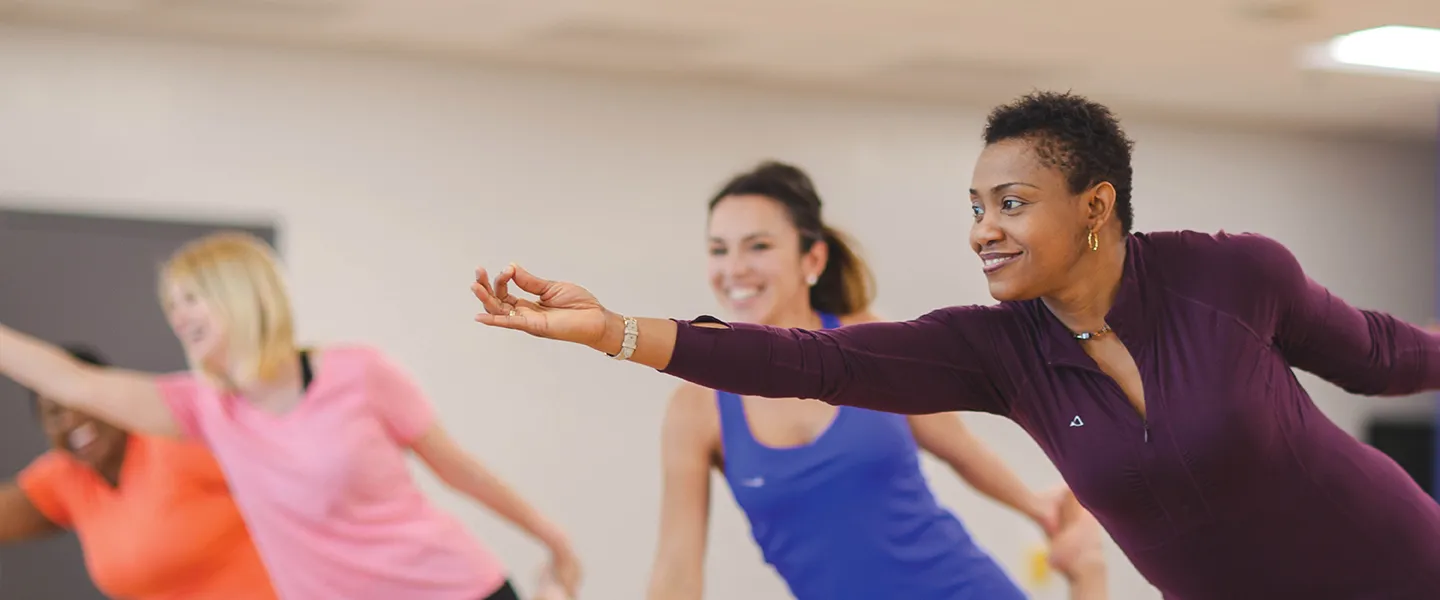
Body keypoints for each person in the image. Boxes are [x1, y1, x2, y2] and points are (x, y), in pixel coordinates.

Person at [468, 91, 1440, 599]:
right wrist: (613, 332)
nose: (982, 229)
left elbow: (1383, 356)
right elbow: (817, 361)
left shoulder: (1232, 277)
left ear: (1094, 207)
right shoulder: (994, 352)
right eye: (975, 208)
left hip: (1397, 568)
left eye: (1010, 204)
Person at [0, 232, 582, 600]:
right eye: (171, 306)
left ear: (240, 296)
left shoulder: (359, 373)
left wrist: (553, 540)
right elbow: (71, 380)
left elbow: (459, 471)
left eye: (190, 299)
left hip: (451, 587)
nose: (178, 317)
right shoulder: (206, 411)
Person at [645, 160, 1103, 600]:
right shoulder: (696, 407)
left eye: (758, 246)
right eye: (719, 249)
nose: (735, 268)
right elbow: (677, 569)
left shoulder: (866, 340)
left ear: (813, 258)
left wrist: (1040, 509)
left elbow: (958, 447)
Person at [1, 344, 278, 600]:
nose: (72, 418)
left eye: (80, 400)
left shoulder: (172, 439)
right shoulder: (65, 476)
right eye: (54, 413)